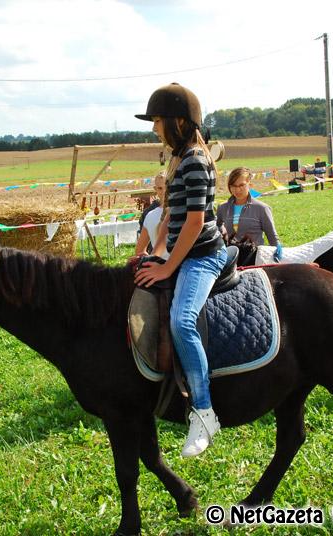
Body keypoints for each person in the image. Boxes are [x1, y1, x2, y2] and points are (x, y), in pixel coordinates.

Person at [134, 83, 227, 458]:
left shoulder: (194, 160)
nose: (154, 128)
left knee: (182, 321)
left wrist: (170, 264)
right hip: (177, 252)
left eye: (157, 120)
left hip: (202, 256)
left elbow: (193, 223)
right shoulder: (176, 160)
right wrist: (155, 254)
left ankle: (204, 412)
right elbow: (170, 215)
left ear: (176, 121)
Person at [216, 167, 282, 262]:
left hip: (255, 258)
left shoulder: (262, 208)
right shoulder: (222, 208)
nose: (237, 189)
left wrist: (277, 248)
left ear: (250, 184)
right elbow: (216, 227)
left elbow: (272, 236)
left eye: (241, 185)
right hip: (232, 259)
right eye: (233, 186)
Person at [133, 171, 168, 258]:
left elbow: (139, 251)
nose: (164, 191)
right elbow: (139, 251)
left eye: (167, 187)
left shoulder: (149, 215)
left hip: (158, 266)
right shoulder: (150, 215)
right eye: (160, 188)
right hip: (178, 267)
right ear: (155, 189)